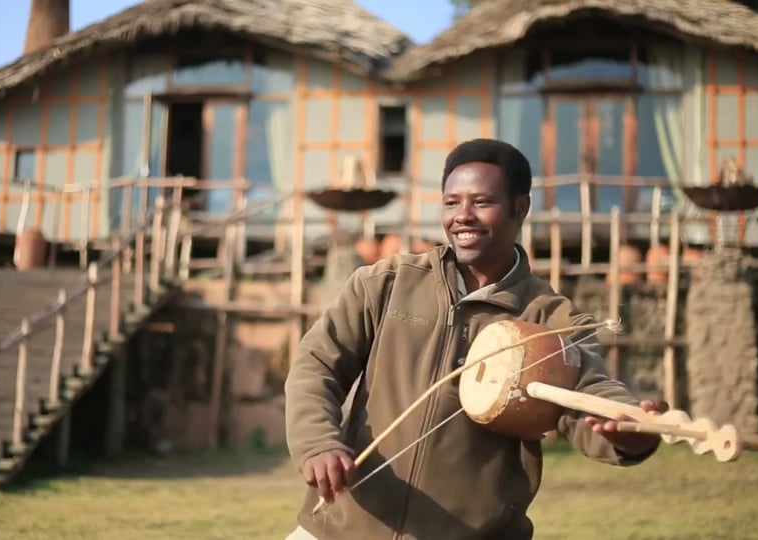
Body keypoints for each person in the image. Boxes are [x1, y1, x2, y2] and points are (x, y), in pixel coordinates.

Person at [283, 138, 668, 540]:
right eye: (451, 203)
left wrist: (630, 428)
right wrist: (318, 444)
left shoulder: (550, 318)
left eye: (481, 202)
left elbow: (589, 393)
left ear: (521, 208)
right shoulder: (386, 283)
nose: (462, 216)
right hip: (337, 529)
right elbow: (315, 366)